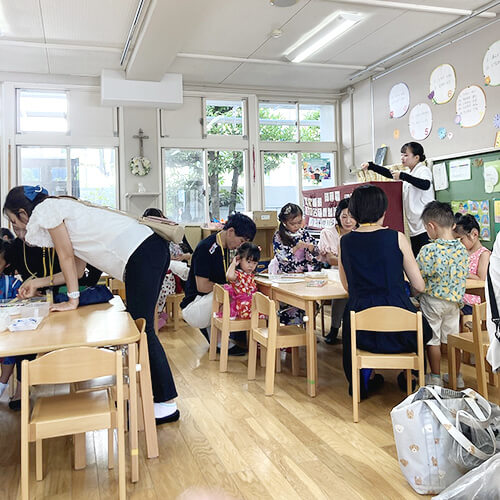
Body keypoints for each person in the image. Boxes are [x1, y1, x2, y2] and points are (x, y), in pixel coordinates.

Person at [3, 185, 179, 424]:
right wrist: (37, 282)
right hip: (148, 250)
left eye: (15, 222)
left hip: (142, 253)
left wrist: (72, 300)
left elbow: (65, 256)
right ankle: (157, 397)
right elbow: (76, 270)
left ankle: (166, 403)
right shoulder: (62, 210)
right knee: (142, 327)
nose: (17, 229)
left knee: (142, 328)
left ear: (24, 213)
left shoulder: (46, 209)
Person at [339, 185, 431, 399]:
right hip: (400, 327)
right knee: (422, 330)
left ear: (354, 212)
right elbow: (419, 285)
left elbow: (347, 286)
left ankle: (364, 381)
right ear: (383, 210)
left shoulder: (345, 241)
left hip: (360, 327)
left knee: (351, 330)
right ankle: (410, 376)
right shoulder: (397, 237)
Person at [180, 212, 256, 354]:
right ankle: (221, 340)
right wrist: (231, 287)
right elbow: (202, 286)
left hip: (207, 301)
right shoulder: (206, 248)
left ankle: (228, 338)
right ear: (231, 231)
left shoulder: (227, 248)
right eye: (241, 241)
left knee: (243, 292)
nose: (241, 245)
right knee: (233, 293)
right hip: (195, 305)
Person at [416, 201, 468, 387]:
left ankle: (436, 377)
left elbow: (418, 276)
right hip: (454, 303)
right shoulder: (462, 249)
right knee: (452, 340)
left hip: (432, 301)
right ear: (452, 224)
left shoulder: (428, 250)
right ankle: (457, 377)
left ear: (431, 226)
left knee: (433, 340)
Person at [361, 142, 435, 256]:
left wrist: (403, 176)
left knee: (426, 258)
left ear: (416, 157)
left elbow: (425, 184)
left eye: (406, 155)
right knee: (417, 257)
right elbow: (389, 174)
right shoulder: (408, 173)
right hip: (413, 224)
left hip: (424, 224)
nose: (402, 158)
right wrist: (371, 166)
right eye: (401, 155)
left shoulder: (423, 170)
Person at [270, 203, 321, 325]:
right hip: (286, 275)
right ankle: (291, 331)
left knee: (308, 304)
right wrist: (296, 248)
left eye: (299, 222)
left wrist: (312, 248)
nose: (297, 226)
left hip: (303, 274)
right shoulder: (278, 236)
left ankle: (307, 331)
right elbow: (281, 257)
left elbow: (316, 252)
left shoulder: (304, 233)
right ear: (284, 222)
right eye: (293, 223)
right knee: (290, 304)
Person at [319, 198, 355, 344]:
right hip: (334, 272)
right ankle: (334, 328)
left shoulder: (361, 232)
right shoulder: (328, 233)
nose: (348, 221)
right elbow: (330, 259)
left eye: (352, 216)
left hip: (356, 272)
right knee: (341, 292)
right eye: (344, 216)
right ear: (338, 216)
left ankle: (355, 329)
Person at [0, 239, 22, 399]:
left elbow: (22, 305)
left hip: (7, 333)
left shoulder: (12, 284)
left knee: (12, 350)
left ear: (6, 265)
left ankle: (2, 383)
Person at [223, 243, 260, 320]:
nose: (251, 266)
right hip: (243, 308)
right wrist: (233, 263)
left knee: (267, 308)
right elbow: (229, 276)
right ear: (239, 259)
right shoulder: (238, 275)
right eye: (248, 262)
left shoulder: (250, 274)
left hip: (250, 305)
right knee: (268, 311)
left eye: (254, 263)